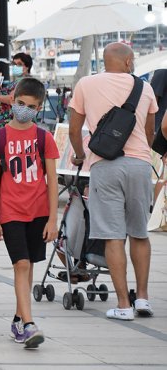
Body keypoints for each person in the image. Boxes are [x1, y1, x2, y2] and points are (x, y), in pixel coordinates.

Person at [68, 42, 157, 320]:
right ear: (129, 62)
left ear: (104, 61)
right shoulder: (145, 88)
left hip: (104, 164)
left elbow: (74, 129)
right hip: (140, 164)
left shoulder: (86, 83)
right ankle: (142, 298)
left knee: (113, 236)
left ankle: (123, 304)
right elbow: (149, 132)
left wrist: (80, 156)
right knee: (139, 233)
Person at [0, 78, 59, 348]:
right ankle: (29, 325)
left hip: (38, 211)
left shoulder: (44, 138)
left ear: (39, 108)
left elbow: (52, 180)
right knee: (21, 264)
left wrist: (53, 218)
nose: (24, 109)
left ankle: (19, 318)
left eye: (30, 106)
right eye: (20, 104)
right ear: (12, 98)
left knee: (28, 267)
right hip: (10, 211)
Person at [0, 53, 33, 130]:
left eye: (19, 64)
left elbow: (12, 98)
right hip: (6, 124)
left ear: (27, 66)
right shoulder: (17, 81)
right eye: (14, 64)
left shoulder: (26, 82)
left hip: (14, 125)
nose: (16, 66)